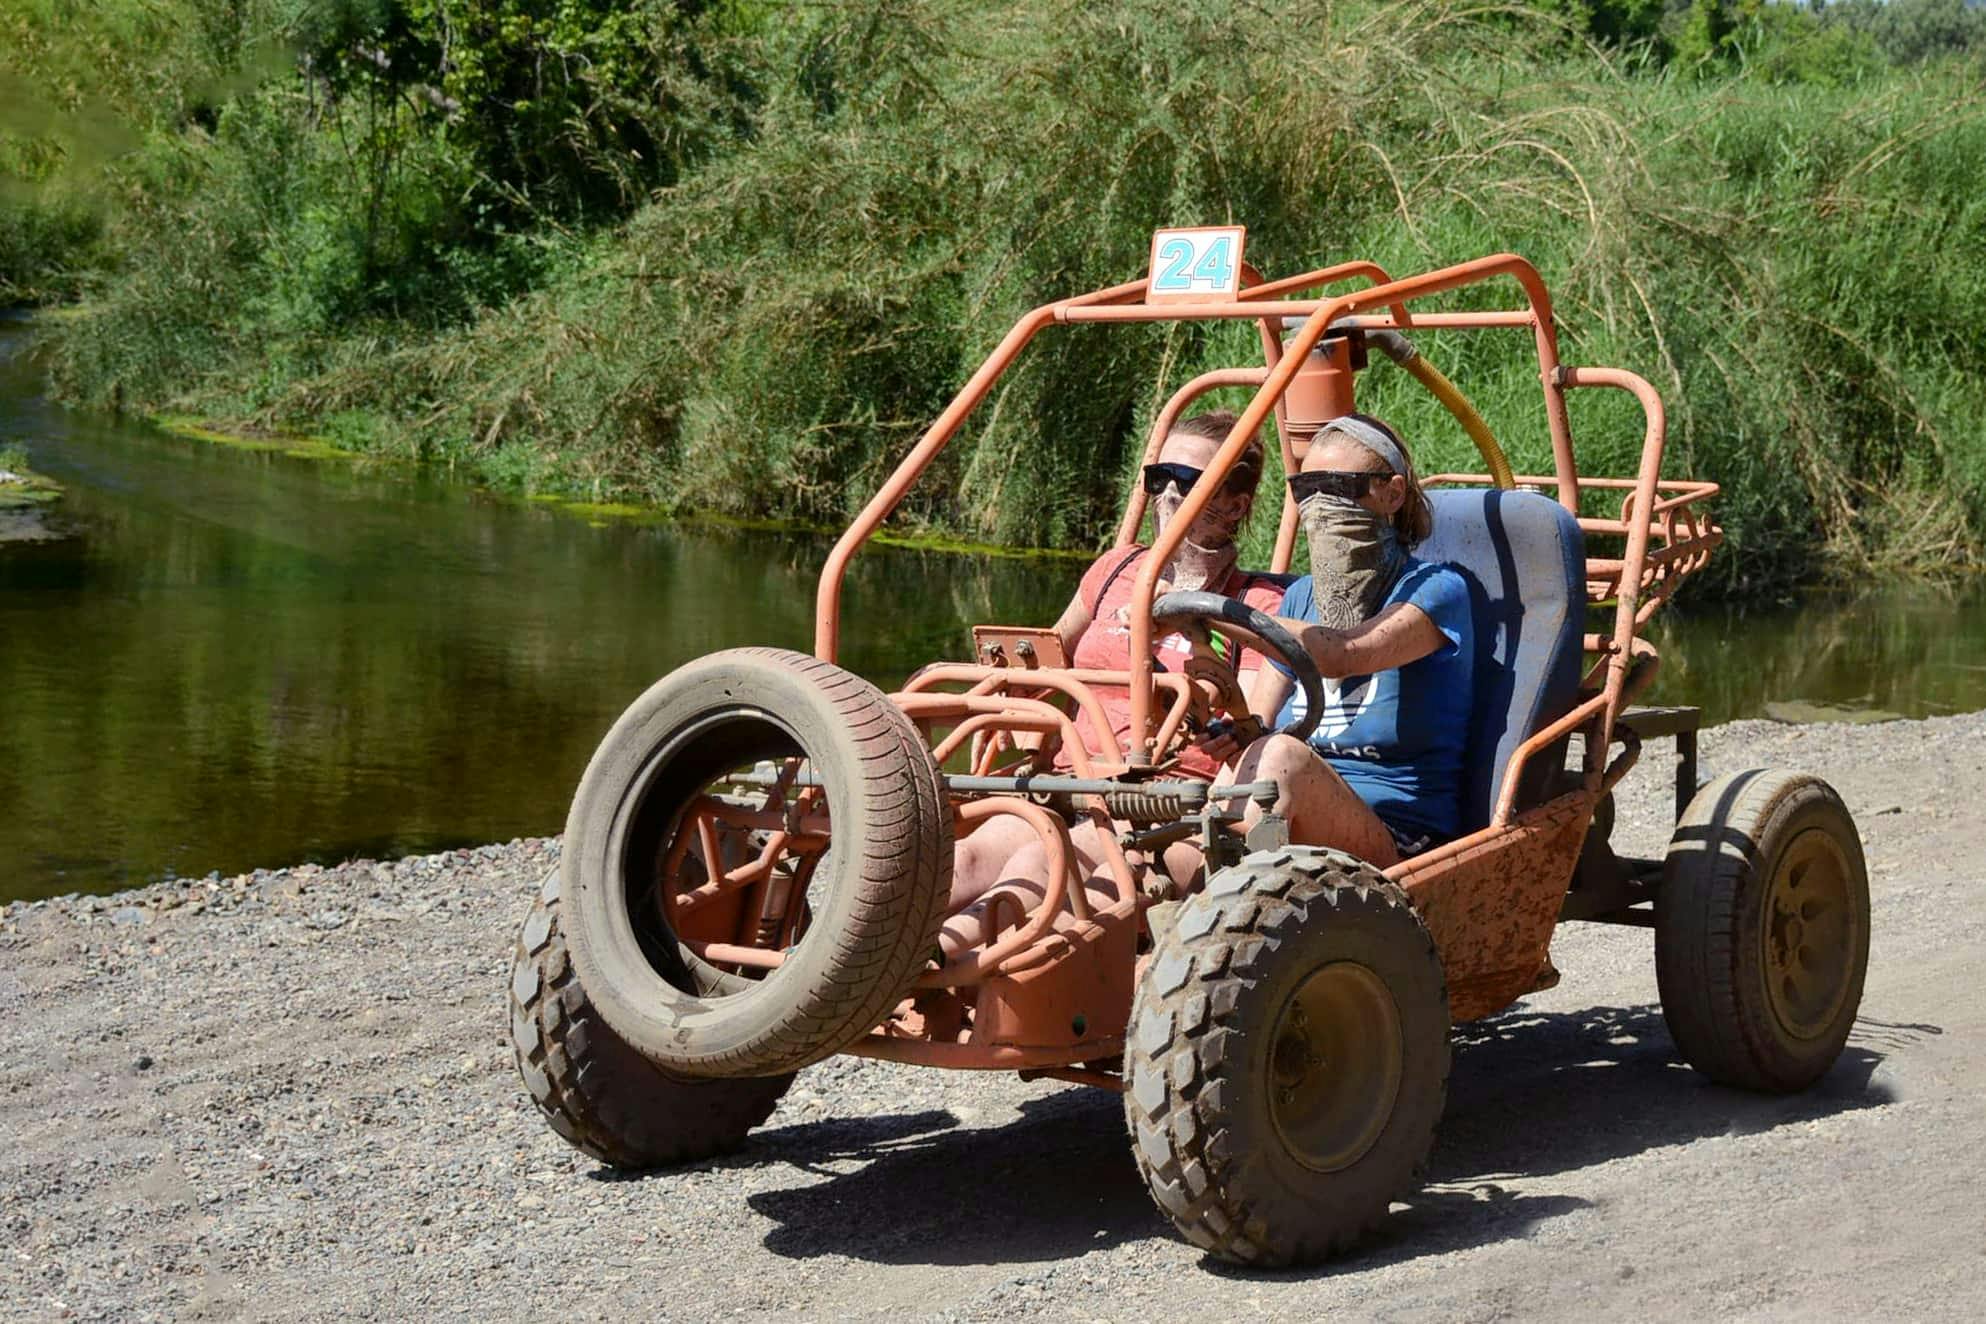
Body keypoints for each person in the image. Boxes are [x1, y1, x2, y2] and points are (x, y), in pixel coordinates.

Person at [942, 410, 1285, 948]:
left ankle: (934, 959)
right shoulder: (1115, 569)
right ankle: (862, 959)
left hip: (1166, 804)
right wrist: (1011, 690)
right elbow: (1049, 657)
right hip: (1071, 779)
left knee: (1041, 866)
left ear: (1235, 506)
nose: (1167, 494)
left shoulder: (1255, 604)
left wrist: (1218, 713)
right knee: (968, 856)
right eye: (1158, 477)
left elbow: (1254, 733)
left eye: (1189, 482)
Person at [1213, 412, 1473, 867]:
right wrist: (1231, 730)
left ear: (1391, 493)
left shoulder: (1436, 589)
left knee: (1279, 758)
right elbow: (1258, 718)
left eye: (1336, 487)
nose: (1318, 504)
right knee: (1139, 867)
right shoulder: (1299, 597)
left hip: (1400, 832)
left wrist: (1220, 613)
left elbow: (1345, 653)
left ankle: (1239, 895)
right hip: (1299, 805)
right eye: (1305, 489)